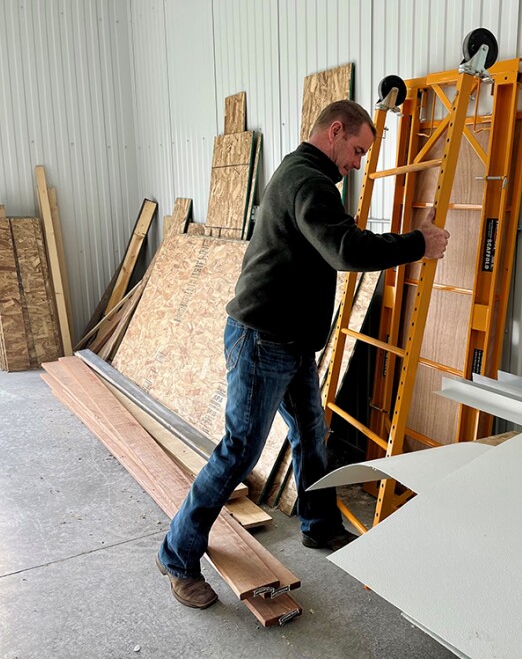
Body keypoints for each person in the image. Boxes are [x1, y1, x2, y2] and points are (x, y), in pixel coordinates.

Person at [156, 100, 449, 609]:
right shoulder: (308, 182)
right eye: (357, 150)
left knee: (311, 434)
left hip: (289, 342)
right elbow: (346, 251)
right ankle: (177, 556)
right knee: (238, 453)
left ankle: (319, 525)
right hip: (262, 340)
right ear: (334, 132)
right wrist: (416, 243)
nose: (357, 162)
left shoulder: (306, 175)